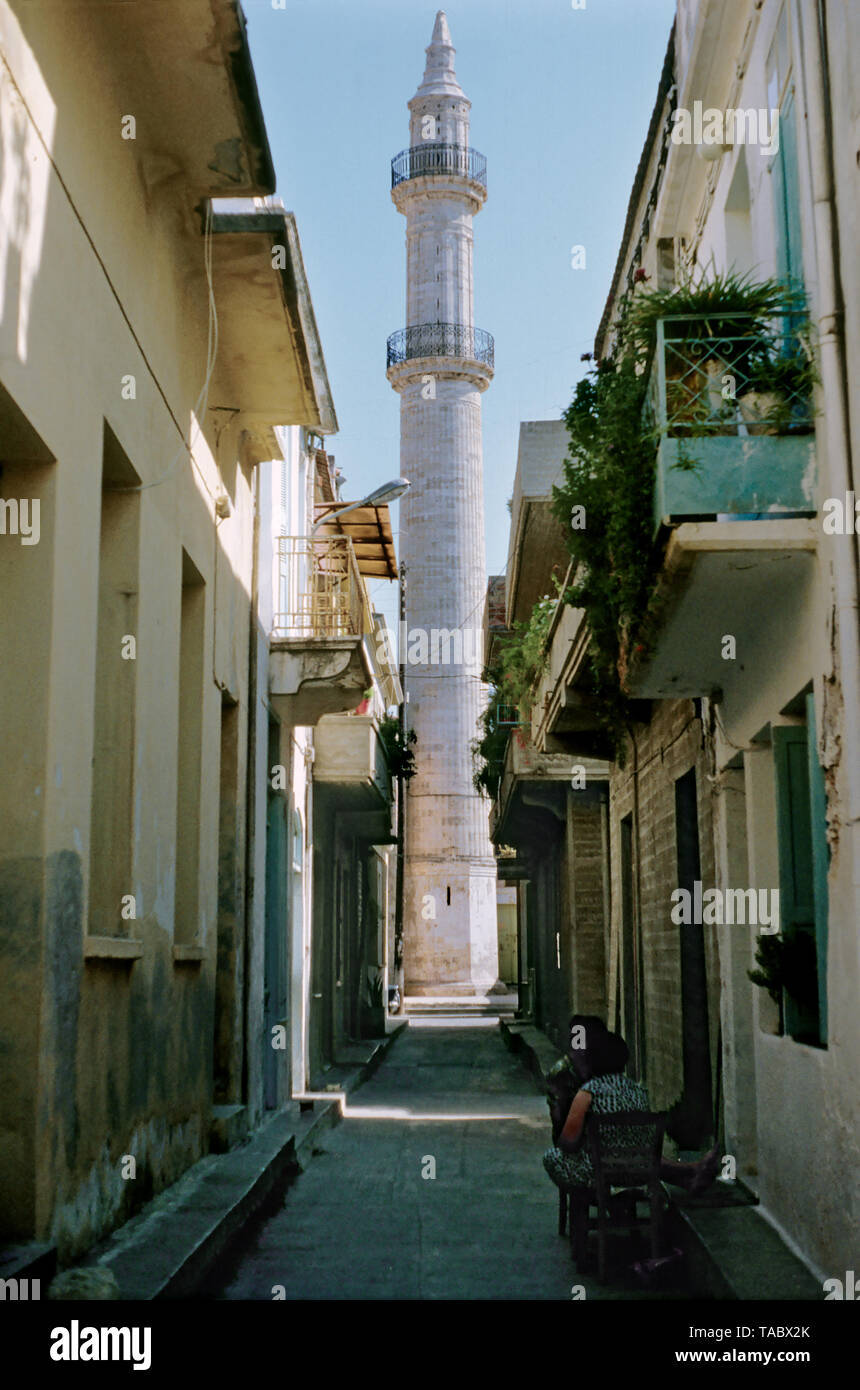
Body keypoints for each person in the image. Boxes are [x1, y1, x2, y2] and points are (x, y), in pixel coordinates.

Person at [543, 1015, 720, 1195]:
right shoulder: (639, 1091)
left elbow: (568, 1143)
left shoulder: (588, 1093)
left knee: (552, 1157)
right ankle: (691, 1173)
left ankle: (594, 1198)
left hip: (600, 1171)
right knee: (635, 1153)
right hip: (640, 1170)